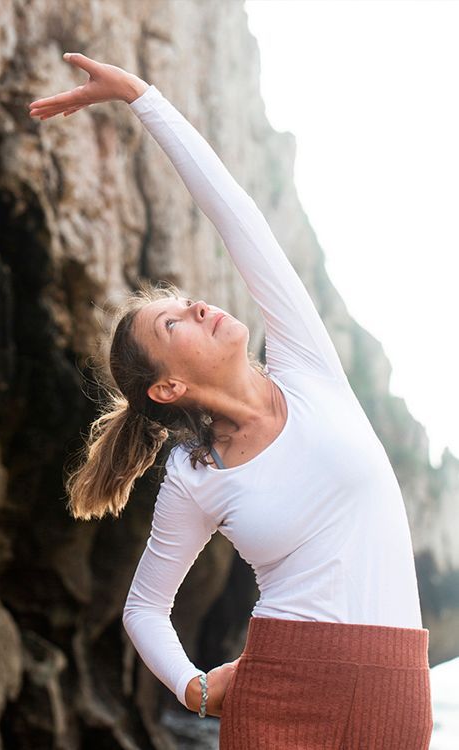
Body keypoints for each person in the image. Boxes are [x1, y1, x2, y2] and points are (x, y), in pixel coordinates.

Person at [29, 53, 434, 749]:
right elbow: (145, 607)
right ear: (167, 387)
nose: (193, 303)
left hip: (397, 686)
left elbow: (235, 216)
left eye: (181, 301)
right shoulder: (193, 477)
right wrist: (192, 686)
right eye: (172, 322)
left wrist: (142, 98)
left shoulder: (309, 369)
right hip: (277, 688)